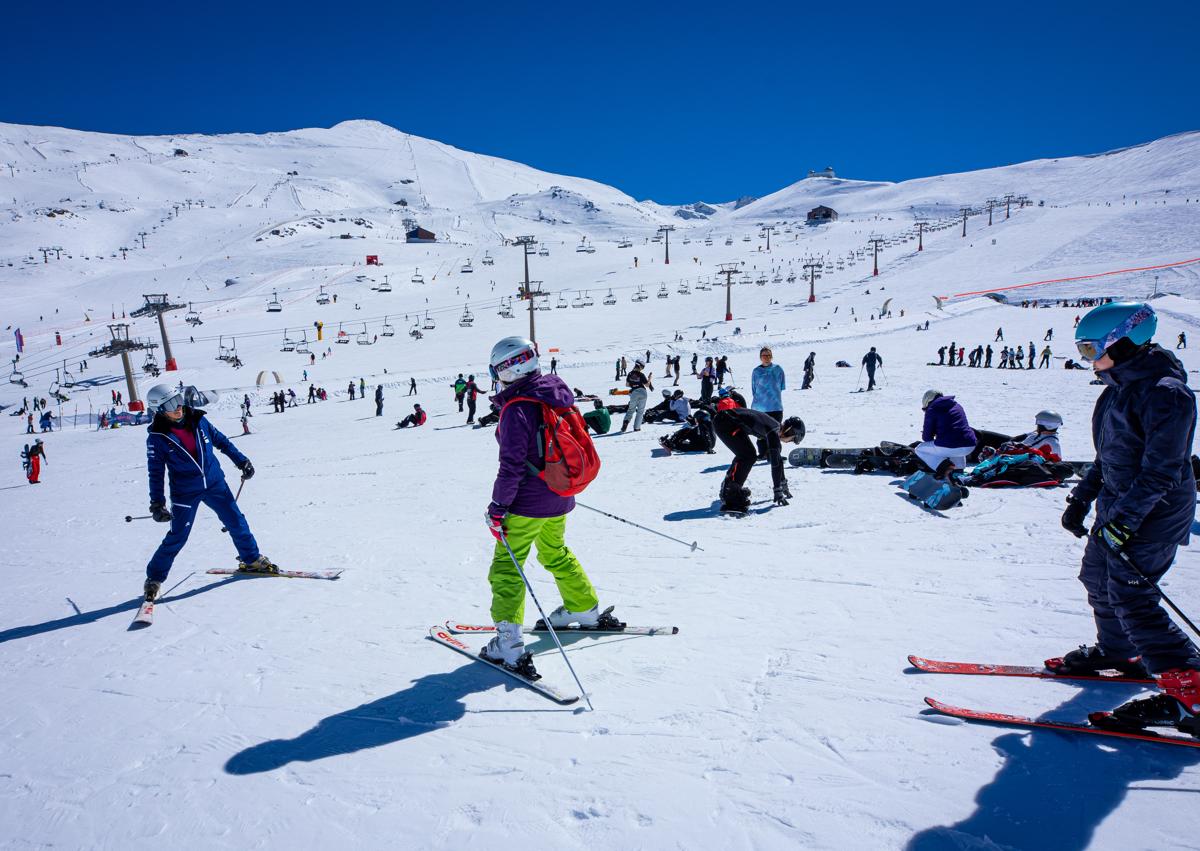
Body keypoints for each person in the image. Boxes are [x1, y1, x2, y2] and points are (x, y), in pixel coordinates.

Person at [1054, 302, 1200, 732]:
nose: (1087, 359)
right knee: (1097, 578)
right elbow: (1107, 458)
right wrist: (1081, 500)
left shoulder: (1166, 394)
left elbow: (1163, 471)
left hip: (1154, 513)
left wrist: (1126, 522)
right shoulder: (1116, 388)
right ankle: (1120, 652)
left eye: (1089, 349)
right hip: (1120, 507)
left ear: (1122, 342)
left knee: (1132, 595)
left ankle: (1192, 690)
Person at [481, 336, 610, 676]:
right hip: (560, 495)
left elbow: (510, 465)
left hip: (526, 503)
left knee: (508, 568)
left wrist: (498, 507)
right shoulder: (554, 393)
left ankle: (508, 643)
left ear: (508, 369)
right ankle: (584, 608)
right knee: (555, 551)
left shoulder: (517, 408)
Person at [141, 384, 278, 603]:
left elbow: (221, 441)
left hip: (215, 483)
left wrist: (242, 461)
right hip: (185, 492)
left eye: (178, 400)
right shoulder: (158, 438)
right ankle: (154, 578)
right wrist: (157, 503)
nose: (177, 408)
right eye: (170, 405)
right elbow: (155, 472)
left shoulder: (199, 420)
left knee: (236, 521)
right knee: (178, 537)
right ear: (159, 409)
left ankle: (251, 559)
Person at [714, 411, 804, 513]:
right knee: (748, 455)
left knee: (747, 454)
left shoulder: (774, 428)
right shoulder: (773, 432)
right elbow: (775, 463)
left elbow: (778, 460)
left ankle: (729, 488)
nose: (790, 442)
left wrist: (782, 483)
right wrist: (777, 489)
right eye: (793, 439)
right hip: (725, 422)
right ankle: (731, 496)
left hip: (725, 420)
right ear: (790, 431)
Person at [915, 390, 977, 477]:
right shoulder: (957, 405)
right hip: (969, 445)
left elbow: (926, 438)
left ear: (927, 401)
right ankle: (958, 470)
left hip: (950, 446)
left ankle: (945, 468)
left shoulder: (932, 408)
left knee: (920, 449)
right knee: (955, 445)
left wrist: (933, 433)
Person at [751, 346, 786, 454]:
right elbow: (754, 388)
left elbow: (781, 386)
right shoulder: (756, 371)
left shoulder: (778, 369)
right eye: (764, 355)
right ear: (760, 357)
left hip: (775, 406)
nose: (766, 357)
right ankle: (763, 453)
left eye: (769, 355)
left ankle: (775, 454)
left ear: (772, 356)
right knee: (760, 433)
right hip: (760, 408)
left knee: (775, 432)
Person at [621, 360, 653, 432]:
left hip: (634, 393)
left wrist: (634, 384)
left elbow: (627, 385)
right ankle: (637, 427)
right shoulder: (641, 374)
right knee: (640, 411)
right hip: (643, 392)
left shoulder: (629, 374)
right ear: (641, 367)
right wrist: (650, 378)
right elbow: (647, 385)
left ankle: (626, 422)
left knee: (631, 409)